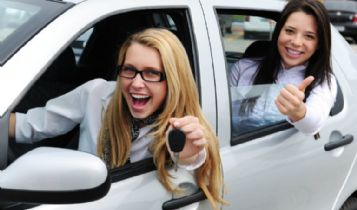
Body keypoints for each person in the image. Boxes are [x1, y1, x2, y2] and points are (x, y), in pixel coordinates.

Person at [8, 28, 225, 208]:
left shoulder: (183, 131)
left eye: (151, 73)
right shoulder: (96, 94)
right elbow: (27, 125)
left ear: (173, 80)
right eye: (129, 70)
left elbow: (186, 195)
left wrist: (186, 158)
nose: (136, 83)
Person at [230, 0, 337, 136]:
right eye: (290, 31)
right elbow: (221, 115)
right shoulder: (243, 68)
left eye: (309, 36)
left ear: (319, 44)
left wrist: (298, 111)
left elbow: (313, 124)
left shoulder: (323, 81)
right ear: (278, 31)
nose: (296, 42)